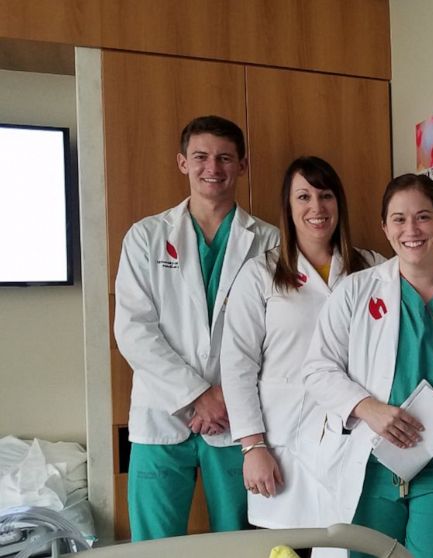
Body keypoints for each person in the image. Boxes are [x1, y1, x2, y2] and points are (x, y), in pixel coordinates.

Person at [301, 173, 433, 558]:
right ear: (384, 227)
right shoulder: (355, 292)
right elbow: (318, 368)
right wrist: (367, 408)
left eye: (423, 217)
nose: (412, 229)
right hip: (370, 463)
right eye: (398, 219)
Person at [114, 115, 280, 540]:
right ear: (182, 163)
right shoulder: (145, 237)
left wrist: (223, 398)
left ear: (243, 165)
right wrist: (197, 396)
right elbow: (134, 329)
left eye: (225, 157)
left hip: (237, 416)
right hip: (162, 412)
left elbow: (277, 334)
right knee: (154, 545)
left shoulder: (270, 242)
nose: (213, 167)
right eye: (201, 156)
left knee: (241, 541)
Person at [220, 156, 385, 529]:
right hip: (283, 446)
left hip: (352, 440)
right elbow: (237, 366)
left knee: (349, 542)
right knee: (287, 547)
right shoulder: (260, 274)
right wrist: (253, 447)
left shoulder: (372, 268)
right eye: (303, 197)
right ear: (288, 207)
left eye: (326, 196)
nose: (316, 208)